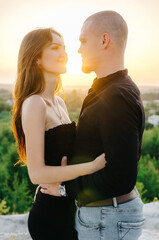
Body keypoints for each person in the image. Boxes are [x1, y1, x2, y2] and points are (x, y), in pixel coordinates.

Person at [40, 11, 146, 240]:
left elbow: (121, 176)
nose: (78, 49)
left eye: (83, 41)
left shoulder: (116, 96)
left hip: (108, 220)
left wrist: (64, 188)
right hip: (106, 217)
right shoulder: (108, 88)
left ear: (104, 40)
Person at [12, 27, 106, 240]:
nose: (64, 53)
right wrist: (91, 167)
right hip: (49, 216)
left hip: (69, 209)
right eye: (55, 48)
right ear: (36, 58)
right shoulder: (35, 103)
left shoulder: (59, 102)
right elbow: (36, 174)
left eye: (64, 47)